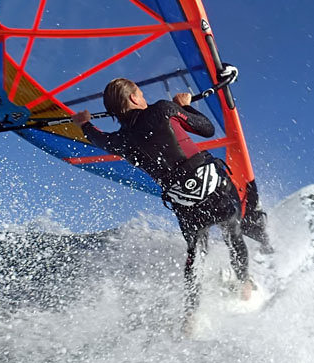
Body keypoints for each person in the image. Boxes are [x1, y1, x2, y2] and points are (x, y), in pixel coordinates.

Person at [71, 78, 259, 332]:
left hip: (186, 205)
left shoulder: (118, 142)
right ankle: (244, 284)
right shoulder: (162, 110)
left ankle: (191, 317)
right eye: (140, 93)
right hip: (214, 190)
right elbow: (207, 129)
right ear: (135, 98)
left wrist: (84, 123)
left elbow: (97, 139)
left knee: (195, 254)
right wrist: (186, 106)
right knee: (233, 232)